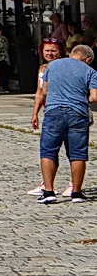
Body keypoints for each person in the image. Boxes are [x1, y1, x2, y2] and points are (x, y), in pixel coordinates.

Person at [31, 43, 97, 203]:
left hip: (54, 111)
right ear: (88, 59)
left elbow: (44, 91)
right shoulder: (90, 71)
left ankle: (48, 191)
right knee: (78, 153)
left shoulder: (52, 66)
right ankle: (76, 193)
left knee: (48, 151)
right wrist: (80, 98)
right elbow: (94, 97)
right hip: (78, 114)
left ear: (72, 53)